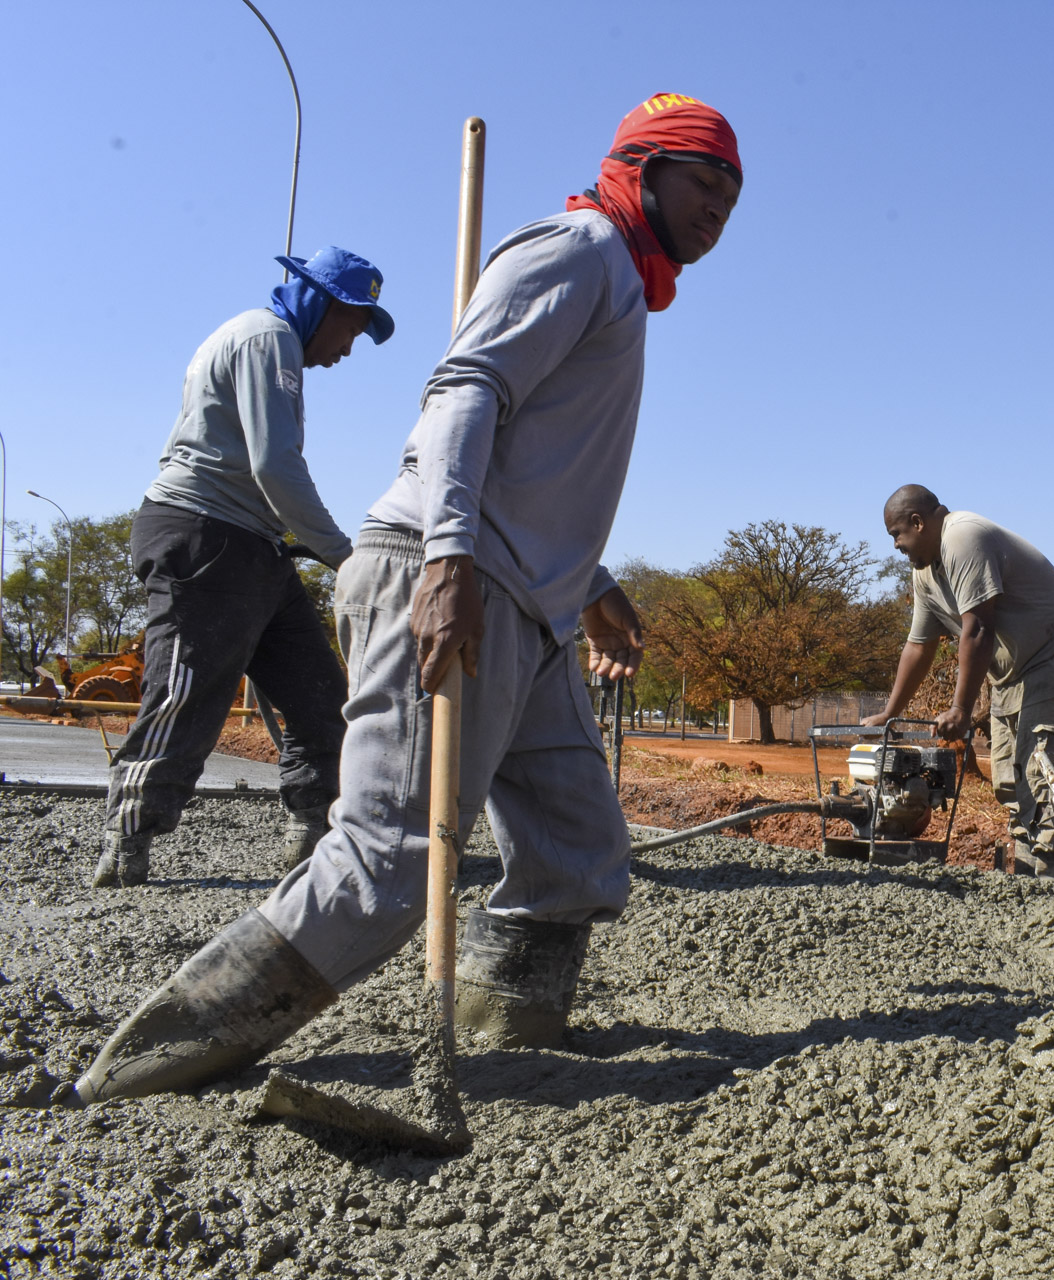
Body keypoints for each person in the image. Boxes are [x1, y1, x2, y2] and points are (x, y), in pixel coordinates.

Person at [77, 93, 744, 1104]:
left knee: (580, 845)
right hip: (453, 578)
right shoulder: (579, 246)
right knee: (387, 863)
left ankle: (497, 1020)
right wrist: (446, 556)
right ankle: (156, 1057)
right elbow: (465, 391)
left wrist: (591, 582)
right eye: (705, 181)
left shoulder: (622, 282)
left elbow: (538, 460)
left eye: (733, 193)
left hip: (529, 603)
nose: (720, 207)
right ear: (643, 168)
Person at [96, 247, 395, 889]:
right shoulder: (266, 337)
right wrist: (345, 555)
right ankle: (130, 839)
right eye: (352, 327)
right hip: (206, 535)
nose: (349, 346)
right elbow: (274, 465)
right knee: (187, 691)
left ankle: (311, 833)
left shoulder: (281, 346)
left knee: (319, 698)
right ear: (326, 305)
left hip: (254, 543)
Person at [863, 486, 1054, 881]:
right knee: (1011, 785)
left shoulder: (962, 537)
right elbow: (918, 646)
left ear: (918, 523)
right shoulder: (925, 569)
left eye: (896, 535)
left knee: (1041, 779)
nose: (895, 545)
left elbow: (977, 629)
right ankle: (1030, 885)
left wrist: (960, 708)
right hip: (1013, 675)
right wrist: (891, 712)